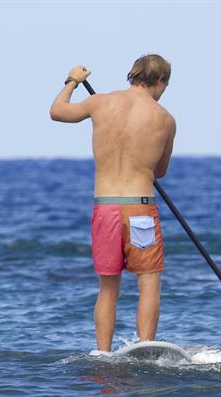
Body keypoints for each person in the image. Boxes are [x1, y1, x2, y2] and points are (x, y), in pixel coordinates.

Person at [50, 54, 176, 353]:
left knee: (108, 288)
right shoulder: (165, 119)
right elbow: (160, 171)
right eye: (165, 85)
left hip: (104, 207)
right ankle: (145, 347)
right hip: (140, 209)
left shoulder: (100, 103)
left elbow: (57, 112)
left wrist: (72, 81)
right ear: (159, 81)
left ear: (133, 75)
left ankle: (103, 353)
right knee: (148, 282)